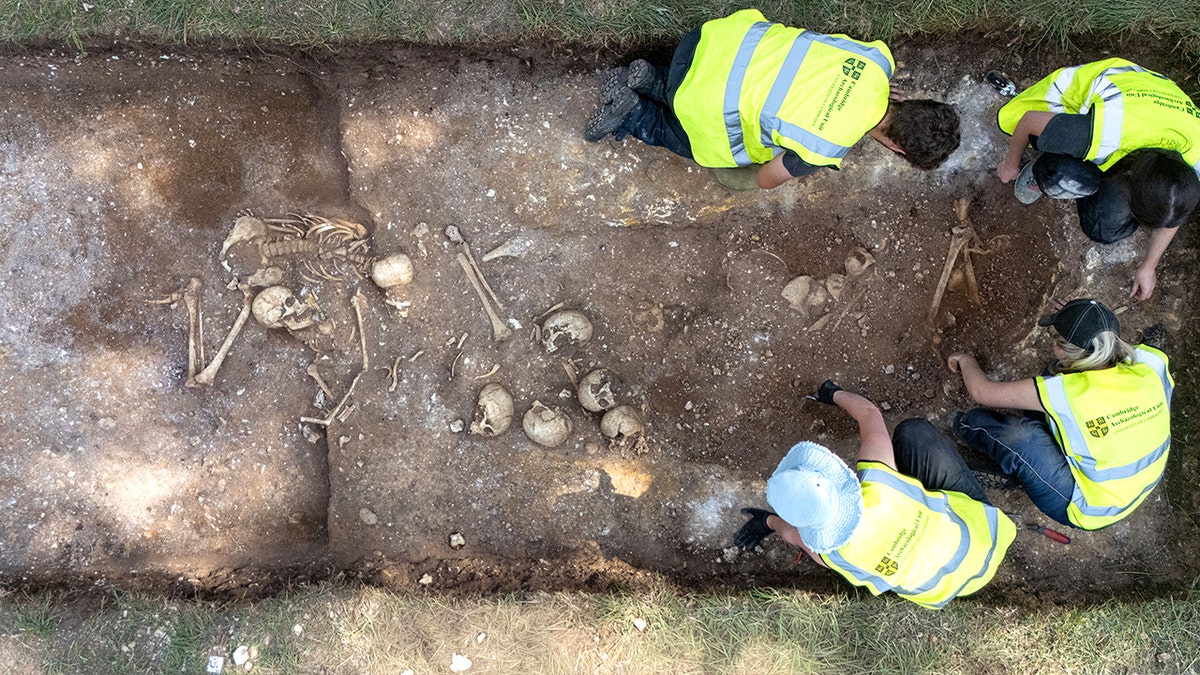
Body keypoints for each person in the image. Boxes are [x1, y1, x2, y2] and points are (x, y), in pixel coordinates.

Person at [584, 9, 960, 190]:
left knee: (736, 87)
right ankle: (635, 113)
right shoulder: (823, 148)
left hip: (708, 41)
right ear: (896, 149)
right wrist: (776, 168)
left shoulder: (878, 61)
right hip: (697, 96)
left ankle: (652, 78)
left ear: (912, 101)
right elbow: (766, 179)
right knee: (723, 155)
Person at [734, 381, 1015, 609]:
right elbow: (869, 414)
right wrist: (833, 394)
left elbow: (791, 534)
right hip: (985, 535)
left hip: (942, 590)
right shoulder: (878, 485)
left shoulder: (833, 555)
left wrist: (766, 523)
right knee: (913, 432)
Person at [948, 298, 1173, 530]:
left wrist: (966, 360)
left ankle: (963, 427)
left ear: (1066, 349)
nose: (1053, 347)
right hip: (1139, 483)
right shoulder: (1152, 364)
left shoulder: (1071, 393)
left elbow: (982, 392)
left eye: (1056, 342)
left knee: (1019, 438)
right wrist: (1079, 317)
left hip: (1090, 508)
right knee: (1053, 377)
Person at [994, 59, 1200, 300]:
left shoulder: (1194, 161)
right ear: (1132, 180)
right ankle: (1042, 170)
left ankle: (1093, 180)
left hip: (1145, 125)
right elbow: (1029, 120)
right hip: (1089, 106)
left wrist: (1148, 266)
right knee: (1064, 176)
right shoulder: (1102, 133)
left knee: (1105, 228)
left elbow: (1173, 206)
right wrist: (1010, 163)